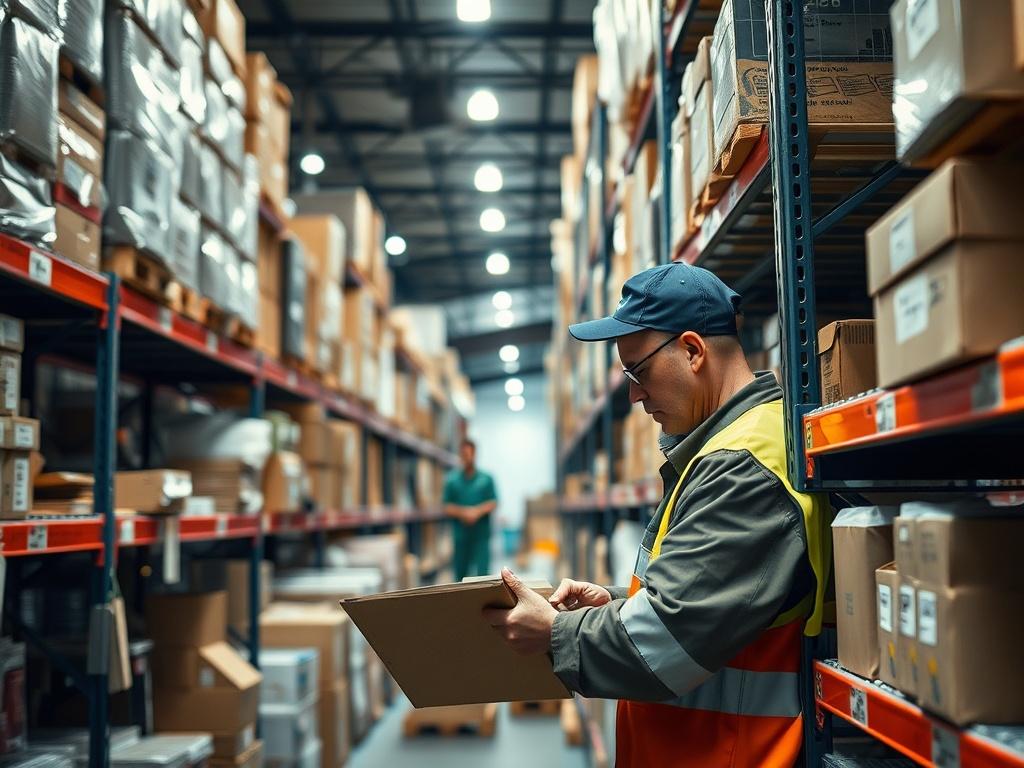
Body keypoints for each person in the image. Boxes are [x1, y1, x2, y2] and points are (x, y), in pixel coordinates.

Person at [483, 262, 832, 768]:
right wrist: (619, 604)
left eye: (639, 372)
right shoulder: (720, 447)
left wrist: (556, 634)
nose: (634, 395)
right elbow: (708, 601)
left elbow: (669, 640)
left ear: (693, 351)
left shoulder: (746, 466)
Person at [443, 438, 498, 582]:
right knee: (460, 576)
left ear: (475, 454)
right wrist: (464, 512)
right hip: (461, 536)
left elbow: (493, 502)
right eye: (464, 455)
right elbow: (446, 506)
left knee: (484, 576)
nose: (467, 458)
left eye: (470, 454)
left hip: (481, 536)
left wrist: (476, 512)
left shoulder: (486, 479)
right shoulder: (452, 480)